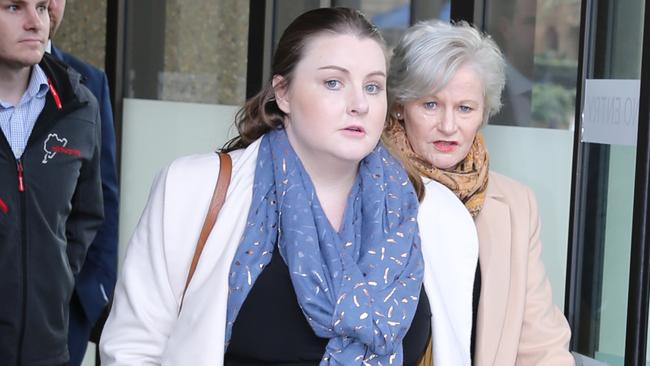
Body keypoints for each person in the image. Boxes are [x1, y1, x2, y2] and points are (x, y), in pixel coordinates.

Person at [100, 7, 477, 366]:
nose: (359, 104)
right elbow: (133, 348)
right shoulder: (193, 190)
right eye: (333, 82)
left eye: (373, 86)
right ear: (283, 93)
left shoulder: (437, 215)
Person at [383, 20, 574, 365]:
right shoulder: (369, 188)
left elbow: (541, 343)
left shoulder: (516, 205)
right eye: (430, 104)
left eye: (465, 108)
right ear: (399, 106)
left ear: (484, 112)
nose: (448, 125)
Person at [0, 0, 104, 364]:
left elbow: (86, 216)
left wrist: (53, 278)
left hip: (46, 348)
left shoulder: (79, 106)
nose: (35, 22)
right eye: (14, 7)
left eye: (42, 7)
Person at [46, 0, 120, 364]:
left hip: (63, 311)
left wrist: (87, 295)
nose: (45, 9)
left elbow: (103, 200)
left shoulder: (89, 81)